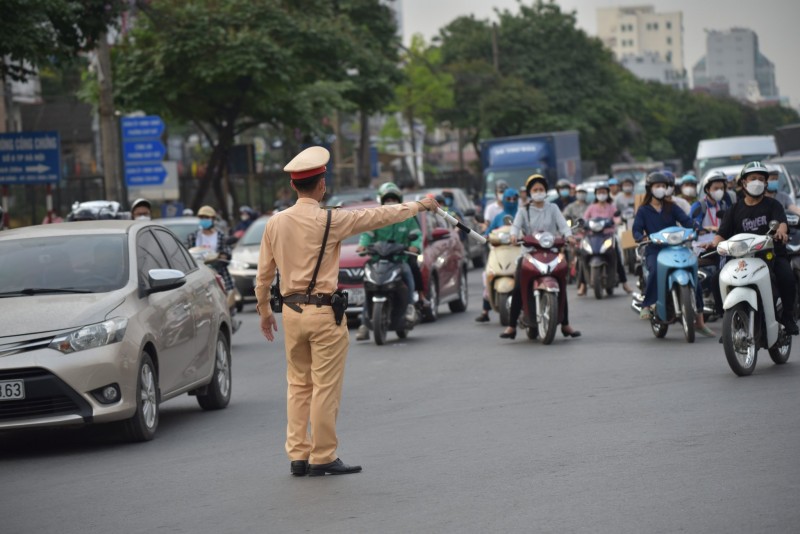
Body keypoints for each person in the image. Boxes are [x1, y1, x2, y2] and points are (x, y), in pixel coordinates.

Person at [255, 146, 439, 477]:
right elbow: (380, 215)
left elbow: (264, 275)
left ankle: (298, 455)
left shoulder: (275, 223)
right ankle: (323, 456)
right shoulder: (332, 219)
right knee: (324, 387)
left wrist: (265, 311)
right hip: (324, 315)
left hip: (291, 315)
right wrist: (421, 205)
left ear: (295, 186)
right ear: (321, 184)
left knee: (298, 385)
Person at [710, 161, 798, 335]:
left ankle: (788, 317)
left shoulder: (774, 205)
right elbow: (722, 234)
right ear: (743, 182)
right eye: (752, 178)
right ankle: (727, 324)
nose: (757, 182)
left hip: (771, 255)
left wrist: (781, 232)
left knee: (787, 278)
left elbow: (781, 223)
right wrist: (715, 243)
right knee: (715, 279)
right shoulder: (734, 209)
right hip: (742, 258)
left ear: (766, 183)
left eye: (760, 179)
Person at [632, 172, 714, 336]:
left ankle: (699, 320)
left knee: (693, 273)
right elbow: (636, 229)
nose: (661, 189)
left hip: (676, 247)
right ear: (650, 189)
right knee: (654, 270)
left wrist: (696, 228)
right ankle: (647, 305)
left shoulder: (672, 207)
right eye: (657, 186)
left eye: (663, 186)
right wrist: (641, 237)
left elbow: (686, 221)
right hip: (655, 249)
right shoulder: (643, 210)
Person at [500, 174, 581, 339]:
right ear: (530, 193)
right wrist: (514, 235)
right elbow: (515, 227)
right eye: (535, 189)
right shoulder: (523, 211)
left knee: (561, 284)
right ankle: (511, 326)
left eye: (541, 189)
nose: (538, 192)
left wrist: (569, 236)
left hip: (551, 252)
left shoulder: (553, 208)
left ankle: (565, 324)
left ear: (546, 191)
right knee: (517, 287)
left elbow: (563, 226)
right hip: (529, 253)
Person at [355, 182, 422, 340]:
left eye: (393, 199)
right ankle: (364, 323)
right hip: (378, 262)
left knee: (408, 274)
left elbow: (417, 235)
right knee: (368, 286)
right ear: (382, 201)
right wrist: (362, 246)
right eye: (387, 199)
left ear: (399, 200)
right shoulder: (376, 218)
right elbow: (366, 235)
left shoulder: (407, 217)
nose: (390, 202)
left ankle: (410, 306)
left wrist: (414, 246)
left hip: (399, 261)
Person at [476, 187, 519, 323]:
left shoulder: (522, 215)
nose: (511, 202)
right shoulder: (498, 217)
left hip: (517, 252)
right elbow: (488, 232)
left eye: (514, 199)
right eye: (508, 199)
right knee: (487, 275)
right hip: (499, 252)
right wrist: (485, 237)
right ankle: (485, 310)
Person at [581, 182, 633, 293]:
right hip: (593, 236)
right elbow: (584, 219)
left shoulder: (611, 207)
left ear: (607, 194)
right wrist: (582, 224)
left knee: (617, 256)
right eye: (599, 192)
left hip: (608, 235)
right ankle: (582, 284)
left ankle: (624, 283)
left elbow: (617, 218)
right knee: (584, 255)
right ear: (595, 194)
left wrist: (618, 221)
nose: (601, 194)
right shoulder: (591, 207)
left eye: (604, 192)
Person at [187, 205, 234, 293]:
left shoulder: (221, 236)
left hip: (218, 273)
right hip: (199, 274)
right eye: (202, 218)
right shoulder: (193, 236)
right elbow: (189, 254)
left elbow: (226, 254)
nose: (204, 220)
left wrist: (219, 256)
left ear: (213, 219)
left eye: (207, 217)